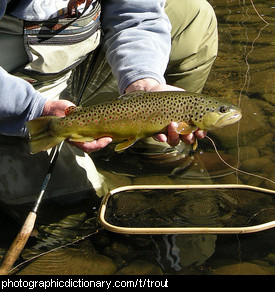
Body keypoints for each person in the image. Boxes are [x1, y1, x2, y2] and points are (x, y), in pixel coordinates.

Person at [0, 0, 218, 206]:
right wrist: (31, 109)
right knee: (79, 200)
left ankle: (154, 148)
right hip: (16, 88)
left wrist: (142, 80)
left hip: (79, 53)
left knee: (194, 16)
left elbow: (137, 15)